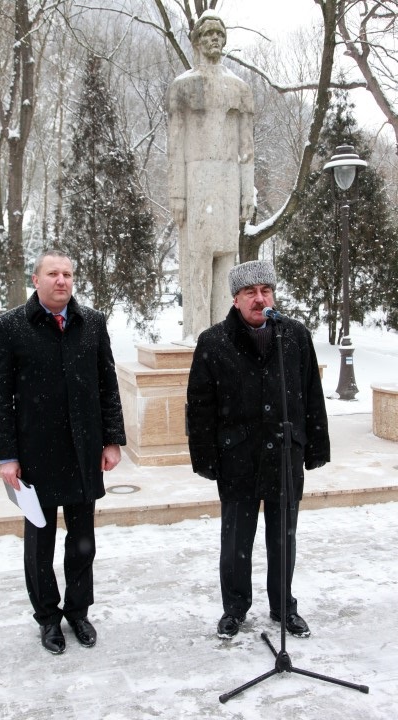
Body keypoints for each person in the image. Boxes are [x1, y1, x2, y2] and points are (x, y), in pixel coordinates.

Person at [0, 250, 126, 655]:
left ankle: (78, 612)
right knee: (40, 543)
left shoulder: (92, 323)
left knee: (83, 541)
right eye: (53, 273)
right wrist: (7, 456)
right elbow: (0, 397)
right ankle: (48, 618)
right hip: (35, 456)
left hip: (84, 452)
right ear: (36, 280)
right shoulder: (11, 326)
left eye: (67, 273)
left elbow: (108, 384)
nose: (61, 280)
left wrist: (112, 440)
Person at [186, 260, 330, 639]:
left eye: (265, 290)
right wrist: (205, 457)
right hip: (238, 457)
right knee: (236, 540)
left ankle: (284, 607)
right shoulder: (214, 341)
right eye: (250, 292)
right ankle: (234, 609)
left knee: (284, 538)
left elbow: (311, 393)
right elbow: (200, 406)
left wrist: (315, 446)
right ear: (235, 299)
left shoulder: (294, 335)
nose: (259, 298)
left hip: (284, 454)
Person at [167, 11, 254, 341]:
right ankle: (199, 334)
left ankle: (223, 335)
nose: (215, 38)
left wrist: (247, 192)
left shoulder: (239, 88)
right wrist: (178, 193)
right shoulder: (184, 87)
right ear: (197, 41)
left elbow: (247, 149)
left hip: (228, 179)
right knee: (198, 257)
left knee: (227, 255)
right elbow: (175, 147)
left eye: (219, 33)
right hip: (196, 178)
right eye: (208, 33)